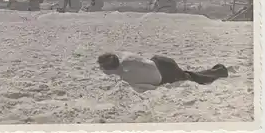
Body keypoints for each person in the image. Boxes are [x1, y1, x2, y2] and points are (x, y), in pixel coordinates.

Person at [97, 52, 228, 93]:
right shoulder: (127, 59)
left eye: (102, 69)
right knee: (188, 74)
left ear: (109, 72)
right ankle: (217, 70)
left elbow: (151, 87)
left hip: (165, 75)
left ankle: (220, 71)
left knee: (192, 78)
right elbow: (142, 60)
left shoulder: (127, 80)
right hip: (160, 61)